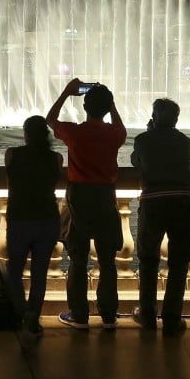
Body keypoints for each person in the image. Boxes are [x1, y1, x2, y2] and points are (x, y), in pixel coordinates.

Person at [48, 78, 126, 330]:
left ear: (85, 107)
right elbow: (120, 127)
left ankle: (79, 314)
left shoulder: (75, 133)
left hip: (78, 198)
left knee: (78, 259)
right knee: (107, 261)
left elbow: (50, 120)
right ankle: (109, 315)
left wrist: (66, 93)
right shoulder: (114, 134)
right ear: (107, 107)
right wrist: (110, 103)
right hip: (105, 197)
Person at [131, 97, 190, 334]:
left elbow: (137, 162)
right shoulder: (185, 142)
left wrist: (149, 132)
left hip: (153, 202)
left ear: (154, 117)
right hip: (182, 202)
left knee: (148, 259)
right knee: (179, 262)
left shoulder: (143, 140)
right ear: (176, 119)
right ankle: (172, 318)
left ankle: (147, 315)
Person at [3, 115, 62, 342]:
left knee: (14, 272)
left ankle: (23, 313)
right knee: (39, 274)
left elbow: (11, 180)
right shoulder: (56, 158)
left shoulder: (12, 154)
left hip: (19, 220)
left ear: (26, 134)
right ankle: (33, 319)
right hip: (47, 220)